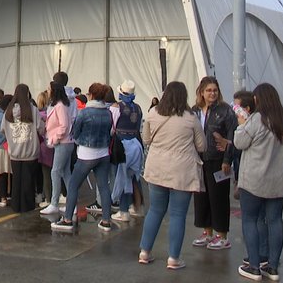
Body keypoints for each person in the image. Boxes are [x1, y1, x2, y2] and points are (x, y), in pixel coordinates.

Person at [138, 81, 205, 270]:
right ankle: (174, 257)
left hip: (157, 168)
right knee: (177, 214)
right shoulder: (191, 118)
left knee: (155, 210)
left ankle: (145, 251)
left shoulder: (153, 114)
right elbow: (202, 146)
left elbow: (146, 139)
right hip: (182, 171)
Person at [234, 83, 283, 281]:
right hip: (280, 181)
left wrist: (241, 123)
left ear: (258, 99)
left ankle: (254, 266)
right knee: (275, 221)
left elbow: (240, 143)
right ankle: (273, 266)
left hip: (255, 180)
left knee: (250, 220)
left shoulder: (256, 120)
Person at [52, 83, 115, 232]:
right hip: (104, 153)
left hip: (87, 154)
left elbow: (75, 132)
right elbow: (110, 131)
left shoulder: (85, 112)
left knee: (73, 185)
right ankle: (106, 220)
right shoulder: (108, 112)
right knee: (104, 187)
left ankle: (67, 219)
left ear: (91, 95)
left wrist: (81, 142)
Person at [191, 76, 236, 250]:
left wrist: (227, 159)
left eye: (215, 90)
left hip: (218, 160)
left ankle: (222, 235)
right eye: (209, 90)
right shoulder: (194, 110)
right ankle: (207, 231)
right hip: (200, 160)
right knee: (201, 197)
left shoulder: (225, 110)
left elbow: (232, 135)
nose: (212, 93)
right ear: (201, 92)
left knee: (219, 198)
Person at [2, 84, 45, 213]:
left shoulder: (8, 111)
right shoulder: (32, 110)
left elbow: (2, 129)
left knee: (16, 180)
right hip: (30, 152)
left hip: (14, 152)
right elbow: (41, 128)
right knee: (28, 181)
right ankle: (27, 206)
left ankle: (16, 205)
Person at [111, 80, 144, 222]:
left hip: (122, 145)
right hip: (136, 144)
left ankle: (123, 210)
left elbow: (112, 128)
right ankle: (138, 206)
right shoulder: (138, 108)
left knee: (122, 177)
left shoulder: (116, 107)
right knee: (135, 177)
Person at [41, 82, 73, 216]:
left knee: (55, 172)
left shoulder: (60, 106)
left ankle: (54, 203)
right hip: (63, 143)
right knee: (65, 173)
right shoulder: (60, 105)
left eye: (49, 89)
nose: (48, 91)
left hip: (62, 143)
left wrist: (54, 138)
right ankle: (72, 204)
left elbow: (64, 126)